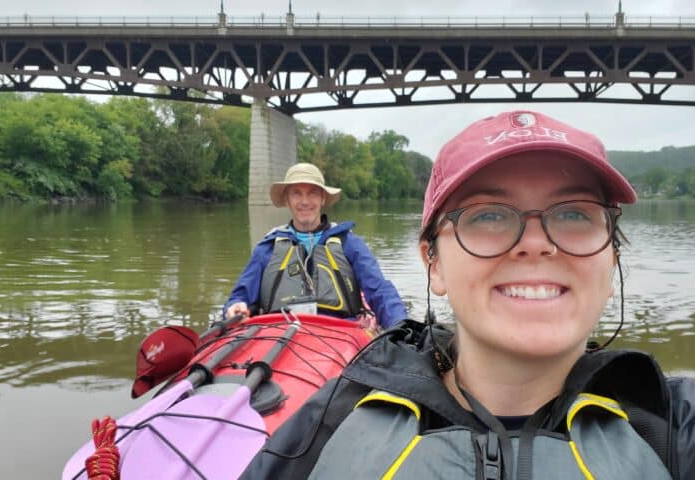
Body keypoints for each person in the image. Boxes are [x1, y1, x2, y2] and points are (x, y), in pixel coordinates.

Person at [241, 111, 695, 479]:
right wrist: (237, 306)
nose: (535, 243)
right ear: (432, 262)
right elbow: (247, 285)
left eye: (575, 213)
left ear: (612, 257)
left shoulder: (673, 427)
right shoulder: (334, 418)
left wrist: (395, 327)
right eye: (489, 215)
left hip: (335, 327)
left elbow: (377, 289)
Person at [223, 162, 408, 329]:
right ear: (287, 200)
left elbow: (380, 291)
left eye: (312, 193)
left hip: (341, 335)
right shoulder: (267, 248)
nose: (305, 201)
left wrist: (400, 324)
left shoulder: (350, 244)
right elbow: (240, 297)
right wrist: (235, 307)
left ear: (323, 199)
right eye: (297, 193)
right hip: (279, 335)